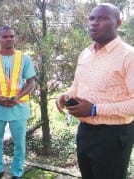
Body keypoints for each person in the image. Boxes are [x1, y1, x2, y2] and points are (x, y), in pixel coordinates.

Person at [56, 3, 134, 179]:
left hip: (114, 136)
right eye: (92, 18)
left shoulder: (129, 56)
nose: (94, 23)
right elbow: (77, 85)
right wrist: (66, 95)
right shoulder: (86, 53)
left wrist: (94, 109)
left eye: (103, 18)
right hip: (85, 131)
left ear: (118, 23)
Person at [0, 26, 35, 179]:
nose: (9, 39)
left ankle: (17, 172)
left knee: (20, 144)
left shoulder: (24, 58)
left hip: (18, 107)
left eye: (11, 36)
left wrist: (18, 97)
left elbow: (31, 82)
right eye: (5, 37)